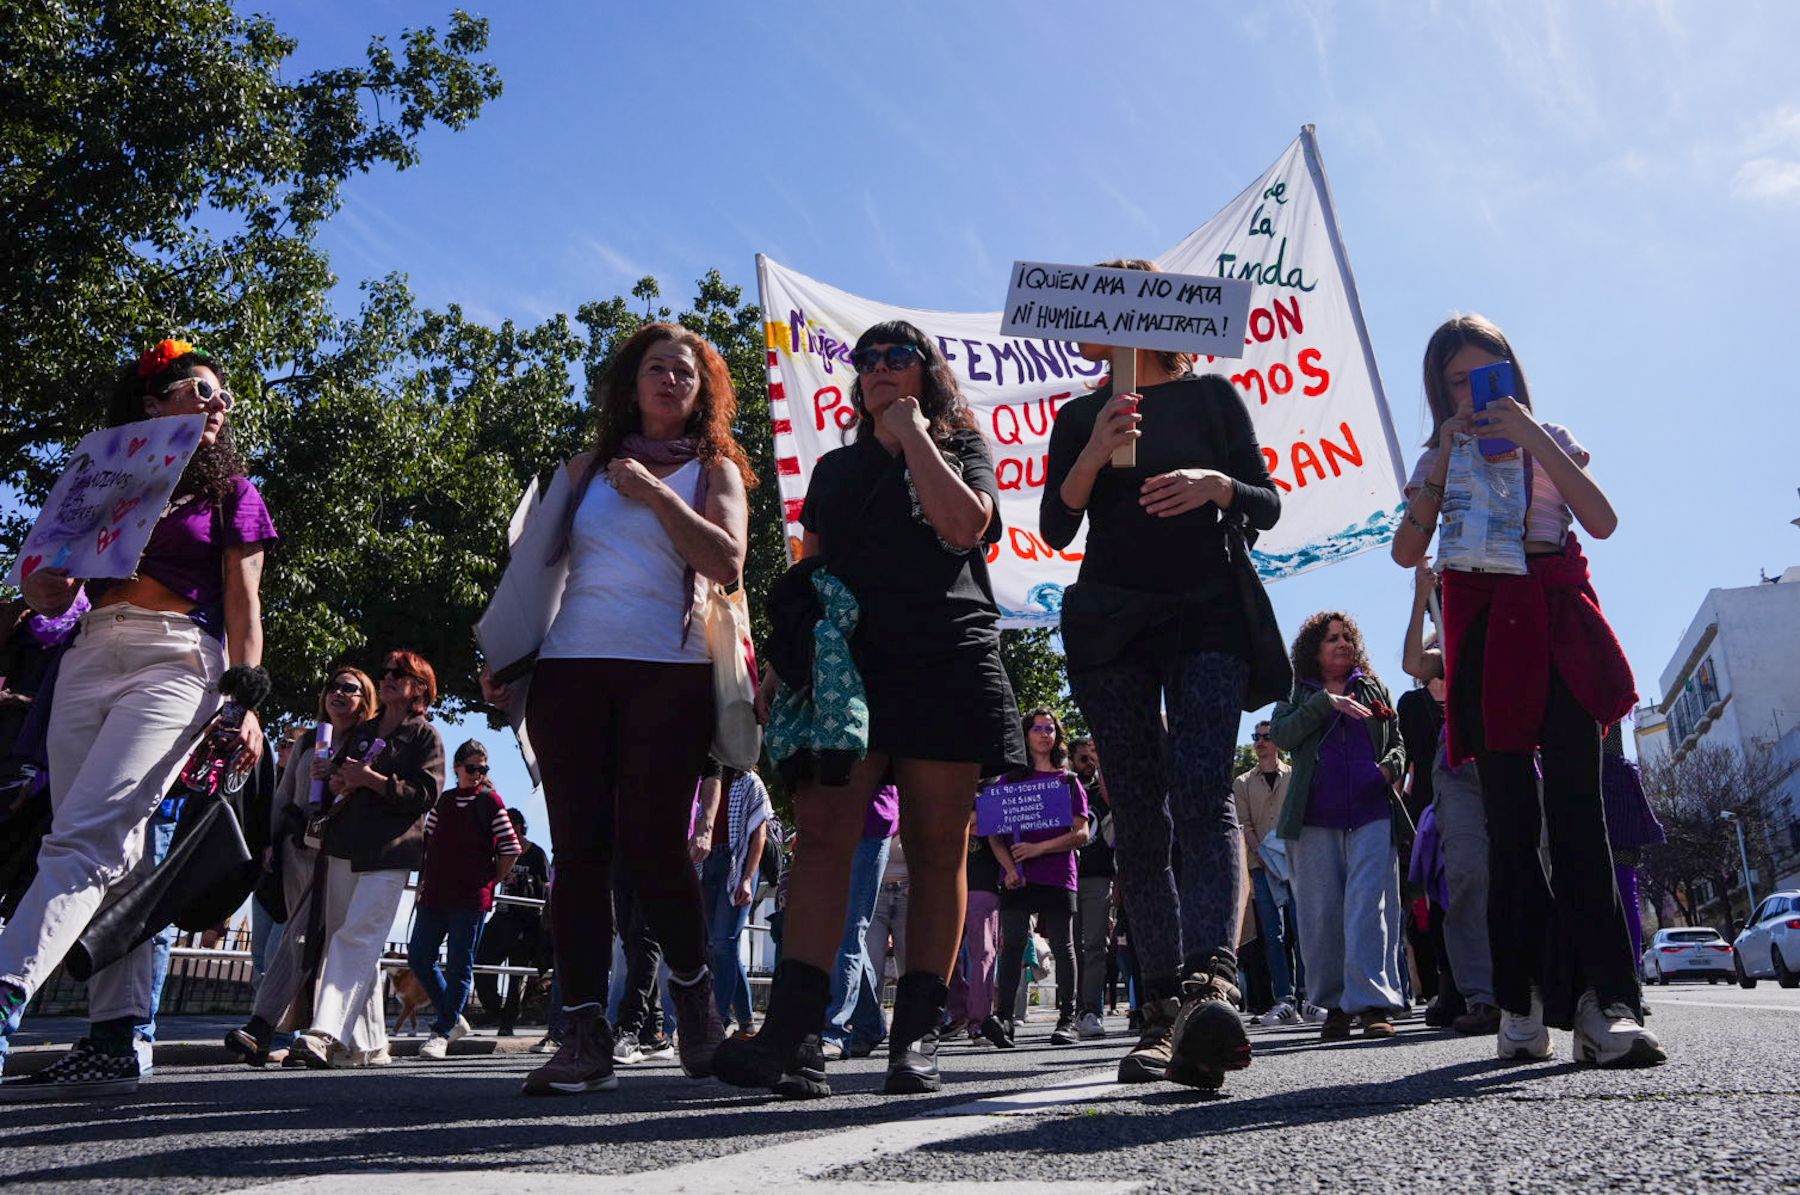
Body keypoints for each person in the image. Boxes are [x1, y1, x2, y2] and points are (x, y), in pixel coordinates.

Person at [715, 320, 1023, 1099]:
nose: (880, 368)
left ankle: (914, 1036)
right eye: (868, 360)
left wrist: (914, 435)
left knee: (936, 845)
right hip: (846, 666)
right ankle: (793, 1035)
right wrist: (784, 667)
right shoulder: (834, 471)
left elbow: (965, 526)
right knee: (821, 836)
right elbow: (809, 575)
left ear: (926, 375)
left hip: (948, 657)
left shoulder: (960, 448)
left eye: (898, 357)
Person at [482, 322, 755, 1095]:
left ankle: (697, 1006)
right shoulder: (583, 468)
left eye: (686, 374)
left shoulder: (715, 469)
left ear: (703, 394)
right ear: (630, 383)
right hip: (571, 672)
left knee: (653, 841)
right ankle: (581, 1031)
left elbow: (726, 560)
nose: (671, 381)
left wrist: (655, 495)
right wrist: (505, 660)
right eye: (657, 369)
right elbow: (530, 577)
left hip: (669, 673)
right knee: (579, 850)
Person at [0, 338, 274, 1100]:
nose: (216, 403)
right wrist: (47, 588)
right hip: (88, 656)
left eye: (222, 395)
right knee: (110, 852)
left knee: (84, 837)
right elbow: (43, 577)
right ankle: (118, 1036)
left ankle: (3, 997)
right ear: (153, 405)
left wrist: (243, 699)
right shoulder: (98, 478)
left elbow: (246, 602)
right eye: (199, 389)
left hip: (175, 660)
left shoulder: (233, 493)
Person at [1391, 314, 1660, 1067]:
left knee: (1580, 818)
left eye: (1490, 373)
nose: (1474, 391)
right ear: (1439, 392)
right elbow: (1406, 549)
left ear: (1514, 373)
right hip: (1485, 634)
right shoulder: (1435, 456)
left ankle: (1608, 1001)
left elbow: (1601, 521)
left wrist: (1534, 435)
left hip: (1559, 624)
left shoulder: (1555, 435)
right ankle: (1522, 998)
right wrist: (1442, 461)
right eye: (1456, 381)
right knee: (1510, 825)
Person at [1039, 266, 1283, 1090]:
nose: (1083, 319)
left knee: (1203, 790)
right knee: (1139, 812)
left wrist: (1220, 487)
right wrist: (1095, 452)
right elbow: (1054, 521)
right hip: (1112, 626)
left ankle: (1210, 986)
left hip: (1208, 615)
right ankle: (1158, 1013)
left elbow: (1267, 500)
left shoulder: (1214, 400)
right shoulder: (1080, 414)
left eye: (1100, 305)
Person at [276, 651, 443, 1068]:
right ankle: (367, 1045)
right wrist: (330, 779)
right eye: (385, 672)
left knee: (357, 938)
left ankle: (324, 1031)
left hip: (388, 852)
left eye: (398, 674)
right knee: (346, 941)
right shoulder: (364, 731)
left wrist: (371, 780)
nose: (386, 678)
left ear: (419, 688)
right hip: (344, 844)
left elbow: (424, 794)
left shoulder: (425, 736)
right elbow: (336, 782)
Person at [230, 668, 381, 1067]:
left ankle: (286, 1029)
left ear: (365, 698)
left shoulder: (370, 742)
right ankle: (293, 1033)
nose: (337, 693)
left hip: (344, 852)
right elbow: (284, 796)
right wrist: (270, 843)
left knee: (334, 941)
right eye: (332, 686)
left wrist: (336, 777)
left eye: (349, 688)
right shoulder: (310, 741)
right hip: (301, 852)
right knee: (304, 938)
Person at [1271, 614, 1408, 1041]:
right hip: (1313, 819)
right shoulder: (1296, 692)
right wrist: (1325, 703)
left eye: (1347, 636)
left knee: (1370, 908)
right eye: (1332, 638)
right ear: (1314, 649)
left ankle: (1372, 1005)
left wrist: (1391, 768)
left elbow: (1398, 740)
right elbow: (1282, 734)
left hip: (1371, 813)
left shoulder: (1373, 686)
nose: (1342, 643)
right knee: (1321, 915)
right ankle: (1333, 1007)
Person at [1400, 566, 1499, 1037]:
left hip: (1513, 745)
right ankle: (1478, 995)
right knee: (1464, 873)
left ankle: (1535, 986)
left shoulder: (1505, 610)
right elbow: (1412, 664)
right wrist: (1423, 596)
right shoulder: (1444, 646)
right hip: (1457, 762)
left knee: (1520, 868)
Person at [409, 739, 521, 1059]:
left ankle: (442, 1030)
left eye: (482, 769)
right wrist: (423, 881)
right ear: (457, 767)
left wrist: (492, 879)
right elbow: (427, 844)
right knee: (419, 955)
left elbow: (510, 847)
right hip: (435, 893)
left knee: (460, 964)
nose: (477, 774)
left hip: (470, 897)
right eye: (472, 768)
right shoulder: (443, 802)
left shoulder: (490, 802)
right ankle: (453, 1016)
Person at [989, 709, 1091, 1047]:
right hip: (1018, 877)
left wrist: (1039, 849)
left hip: (1059, 874)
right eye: (1038, 728)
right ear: (1026, 734)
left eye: (1050, 729)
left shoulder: (1068, 781)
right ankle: (1004, 1019)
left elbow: (1082, 833)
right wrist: (1010, 868)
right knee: (1013, 944)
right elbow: (994, 835)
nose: (1044, 734)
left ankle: (1068, 1019)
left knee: (1064, 946)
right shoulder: (1009, 781)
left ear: (1057, 737)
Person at [818, 785, 900, 1061]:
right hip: (832, 820)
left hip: (871, 824)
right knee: (849, 931)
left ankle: (834, 1030)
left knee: (849, 929)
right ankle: (869, 1024)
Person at [1233, 722, 1301, 1026]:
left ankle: (1308, 994)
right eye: (1255, 737)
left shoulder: (1295, 774)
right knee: (1272, 935)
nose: (1260, 742)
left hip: (1296, 864)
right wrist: (1262, 852)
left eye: (1266, 737)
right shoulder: (1243, 782)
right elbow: (1243, 824)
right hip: (1261, 866)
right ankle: (1283, 997)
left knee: (1301, 932)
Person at [701, 766, 771, 1036]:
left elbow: (759, 835)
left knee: (723, 943)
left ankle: (716, 1020)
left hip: (736, 864)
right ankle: (747, 1022)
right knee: (721, 947)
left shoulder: (751, 782)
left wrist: (747, 878)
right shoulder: (707, 778)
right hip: (708, 864)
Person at [474, 807, 550, 1037]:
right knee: (481, 962)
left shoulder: (536, 854)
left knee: (517, 975)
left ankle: (508, 1021)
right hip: (502, 916)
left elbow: (546, 888)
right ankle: (494, 1009)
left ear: (516, 827)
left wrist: (523, 881)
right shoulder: (498, 851)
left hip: (526, 920)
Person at [947, 809, 1007, 1047]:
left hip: (983, 885)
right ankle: (961, 1012)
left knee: (982, 955)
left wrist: (974, 819)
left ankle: (978, 1021)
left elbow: (994, 828)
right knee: (944, 956)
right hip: (950, 885)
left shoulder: (994, 789)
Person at [1069, 735, 1114, 1039]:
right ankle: (1069, 1010)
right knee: (1070, 949)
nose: (1088, 764)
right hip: (1067, 878)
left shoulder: (1103, 790)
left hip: (1099, 876)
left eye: (1093, 757)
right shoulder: (1063, 789)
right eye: (1083, 758)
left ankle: (1091, 1011)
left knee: (1096, 946)